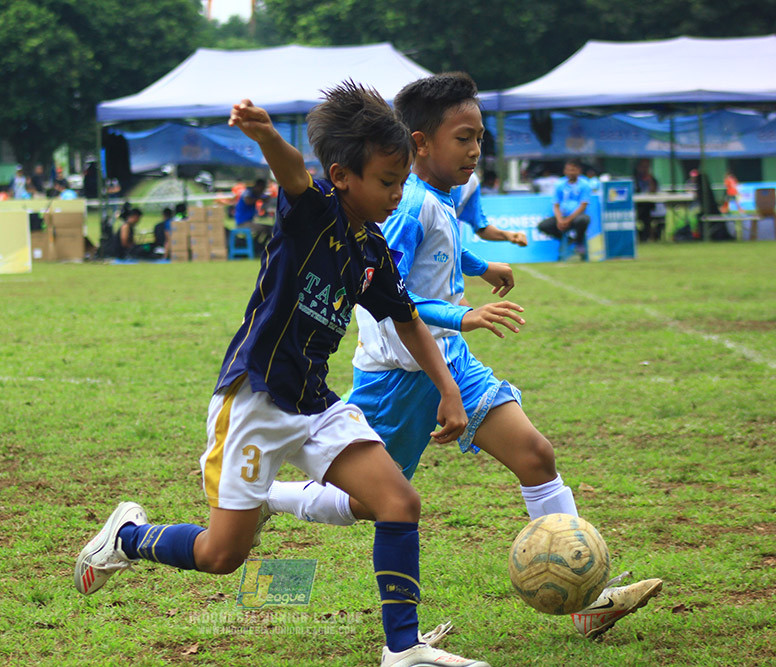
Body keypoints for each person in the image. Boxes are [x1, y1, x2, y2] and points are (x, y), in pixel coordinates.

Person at [74, 81, 491, 667]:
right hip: (256, 401)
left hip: (315, 404)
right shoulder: (313, 214)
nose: (398, 194)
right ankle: (128, 537)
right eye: (386, 182)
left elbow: (407, 319)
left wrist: (449, 388)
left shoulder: (373, 251)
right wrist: (267, 133)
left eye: (402, 182)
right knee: (223, 557)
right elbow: (294, 170)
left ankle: (403, 650)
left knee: (397, 501)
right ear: (343, 176)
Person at [262, 73, 662, 642]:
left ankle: (588, 599)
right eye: (464, 138)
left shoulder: (440, 199)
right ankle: (266, 497)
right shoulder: (404, 207)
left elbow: (443, 248)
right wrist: (462, 315)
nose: (476, 150)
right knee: (367, 501)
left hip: (452, 364)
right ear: (420, 143)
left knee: (535, 455)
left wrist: (480, 265)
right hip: (398, 375)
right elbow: (389, 298)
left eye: (480, 139)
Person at [452, 172, 528, 246]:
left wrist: (508, 235)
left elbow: (481, 228)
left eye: (478, 158)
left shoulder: (471, 182)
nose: (474, 159)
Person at [537, 159, 591, 260]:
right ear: (565, 171)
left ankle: (579, 241)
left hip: (576, 216)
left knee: (583, 220)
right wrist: (560, 220)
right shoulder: (560, 184)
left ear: (579, 171)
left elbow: (583, 205)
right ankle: (568, 239)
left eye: (573, 170)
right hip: (562, 217)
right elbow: (556, 204)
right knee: (543, 226)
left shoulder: (584, 184)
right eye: (568, 170)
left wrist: (568, 220)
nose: (571, 172)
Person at [233, 177, 273, 250]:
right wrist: (259, 198)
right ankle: (259, 246)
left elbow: (266, 198)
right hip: (243, 223)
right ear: (258, 186)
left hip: (249, 222)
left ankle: (258, 245)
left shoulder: (255, 194)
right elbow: (248, 201)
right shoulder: (248, 192)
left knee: (269, 229)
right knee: (269, 229)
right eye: (262, 188)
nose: (262, 190)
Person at [633, 158, 664, 242]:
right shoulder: (635, 179)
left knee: (648, 215)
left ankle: (648, 236)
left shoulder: (652, 179)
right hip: (637, 206)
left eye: (647, 167)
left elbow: (653, 191)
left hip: (649, 206)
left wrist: (650, 180)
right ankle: (641, 236)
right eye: (643, 166)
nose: (645, 169)